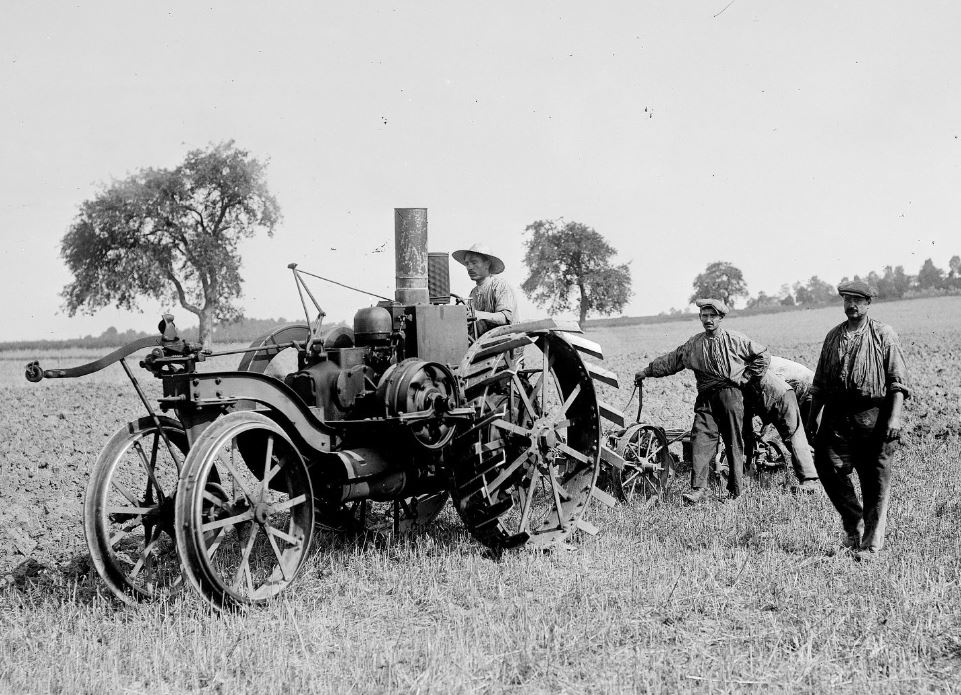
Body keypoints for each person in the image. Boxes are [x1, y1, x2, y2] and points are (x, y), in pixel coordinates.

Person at [806, 280, 910, 561]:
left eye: (857, 300)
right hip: (836, 416)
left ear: (868, 304)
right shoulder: (833, 336)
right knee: (827, 467)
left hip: (873, 415)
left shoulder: (882, 335)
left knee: (874, 480)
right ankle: (854, 522)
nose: (851, 305)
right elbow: (819, 384)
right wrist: (811, 420)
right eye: (847, 299)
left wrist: (895, 418)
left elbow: (898, 382)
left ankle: (871, 545)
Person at [635, 298, 770, 503]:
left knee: (734, 441)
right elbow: (672, 361)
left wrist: (746, 378)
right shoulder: (694, 344)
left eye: (712, 316)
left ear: (720, 318)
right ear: (700, 317)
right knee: (700, 439)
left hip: (730, 395)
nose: (708, 320)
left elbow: (762, 355)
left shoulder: (735, 340)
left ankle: (735, 491)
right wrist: (647, 371)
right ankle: (699, 489)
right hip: (706, 398)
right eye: (704, 316)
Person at [743, 361, 819, 492]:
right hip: (800, 387)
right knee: (805, 435)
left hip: (808, 389)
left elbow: (774, 400)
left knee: (800, 434)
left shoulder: (758, 370)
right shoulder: (754, 366)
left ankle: (813, 477)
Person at [451, 243, 518, 338]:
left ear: (487, 264)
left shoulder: (500, 286)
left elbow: (505, 318)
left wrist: (478, 314)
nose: (469, 267)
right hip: (482, 344)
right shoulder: (473, 293)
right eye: (467, 263)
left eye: (474, 262)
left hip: (505, 344)